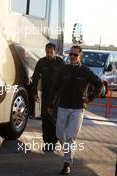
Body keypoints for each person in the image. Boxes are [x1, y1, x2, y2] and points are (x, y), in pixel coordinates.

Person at [47, 45, 102, 175]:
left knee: (71, 137)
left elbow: (99, 84)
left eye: (75, 55)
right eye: (70, 54)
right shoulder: (63, 69)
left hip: (78, 109)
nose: (72, 56)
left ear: (79, 56)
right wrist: (50, 104)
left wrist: (90, 98)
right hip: (63, 107)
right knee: (60, 135)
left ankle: (67, 163)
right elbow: (54, 87)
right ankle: (68, 153)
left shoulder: (85, 71)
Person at [32, 43, 65, 151]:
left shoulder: (61, 63)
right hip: (46, 95)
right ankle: (47, 143)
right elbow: (35, 77)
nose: (49, 54)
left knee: (53, 119)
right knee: (45, 119)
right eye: (47, 52)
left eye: (51, 52)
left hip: (57, 96)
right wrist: (34, 93)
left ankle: (53, 142)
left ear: (55, 51)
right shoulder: (42, 62)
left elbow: (65, 79)